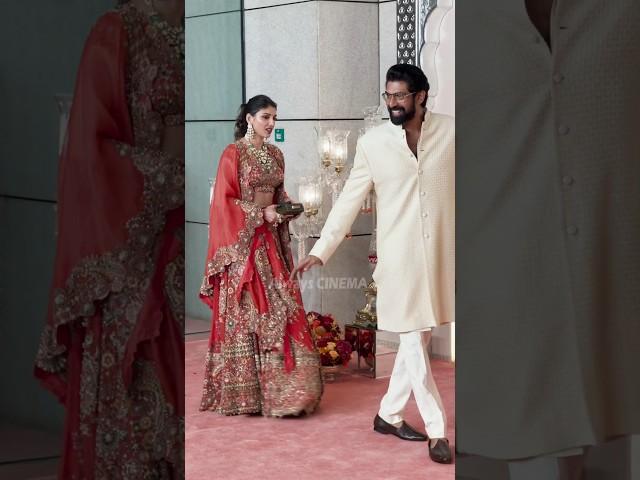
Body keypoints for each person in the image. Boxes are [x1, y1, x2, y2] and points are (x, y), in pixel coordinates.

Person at [33, 1, 185, 477]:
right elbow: (90, 155)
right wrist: (176, 174)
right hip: (133, 259)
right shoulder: (118, 32)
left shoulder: (204, 29)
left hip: (196, 244)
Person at [291, 64, 454, 464]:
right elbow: (349, 198)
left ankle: (388, 414)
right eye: (388, 95)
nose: (393, 103)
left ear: (421, 95)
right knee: (414, 338)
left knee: (420, 338)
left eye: (400, 95)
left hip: (439, 257)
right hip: (398, 260)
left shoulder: (452, 132)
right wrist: (321, 249)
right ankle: (438, 430)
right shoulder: (374, 143)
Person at [199, 94, 323, 417]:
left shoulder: (276, 155)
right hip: (244, 250)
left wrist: (287, 207)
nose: (271, 123)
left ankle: (291, 392)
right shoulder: (233, 154)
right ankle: (248, 394)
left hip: (270, 243)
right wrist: (259, 214)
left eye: (274, 118)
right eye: (265, 117)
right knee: (251, 313)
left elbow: (279, 191)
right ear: (250, 118)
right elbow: (223, 204)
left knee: (285, 304)